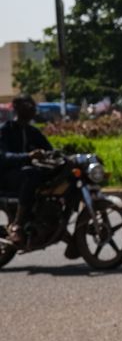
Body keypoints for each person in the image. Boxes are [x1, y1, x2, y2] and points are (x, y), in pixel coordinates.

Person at [1, 95, 53, 243]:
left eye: (32, 104)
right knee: (31, 173)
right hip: (8, 177)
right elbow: (3, 156)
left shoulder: (33, 132)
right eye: (27, 104)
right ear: (16, 107)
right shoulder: (5, 130)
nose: (32, 107)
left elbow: (49, 150)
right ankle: (17, 224)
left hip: (28, 175)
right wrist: (28, 156)